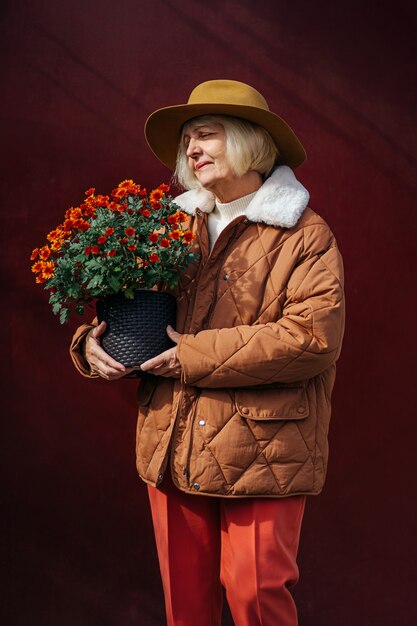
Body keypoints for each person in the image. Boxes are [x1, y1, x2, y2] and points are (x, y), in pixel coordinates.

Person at [70, 79, 345, 626]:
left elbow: (313, 337)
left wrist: (193, 355)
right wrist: (90, 345)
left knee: (255, 598)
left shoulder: (304, 234)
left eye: (206, 134)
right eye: (187, 141)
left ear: (249, 141)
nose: (192, 150)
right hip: (172, 439)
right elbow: (133, 312)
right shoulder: (167, 227)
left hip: (265, 445)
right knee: (186, 608)